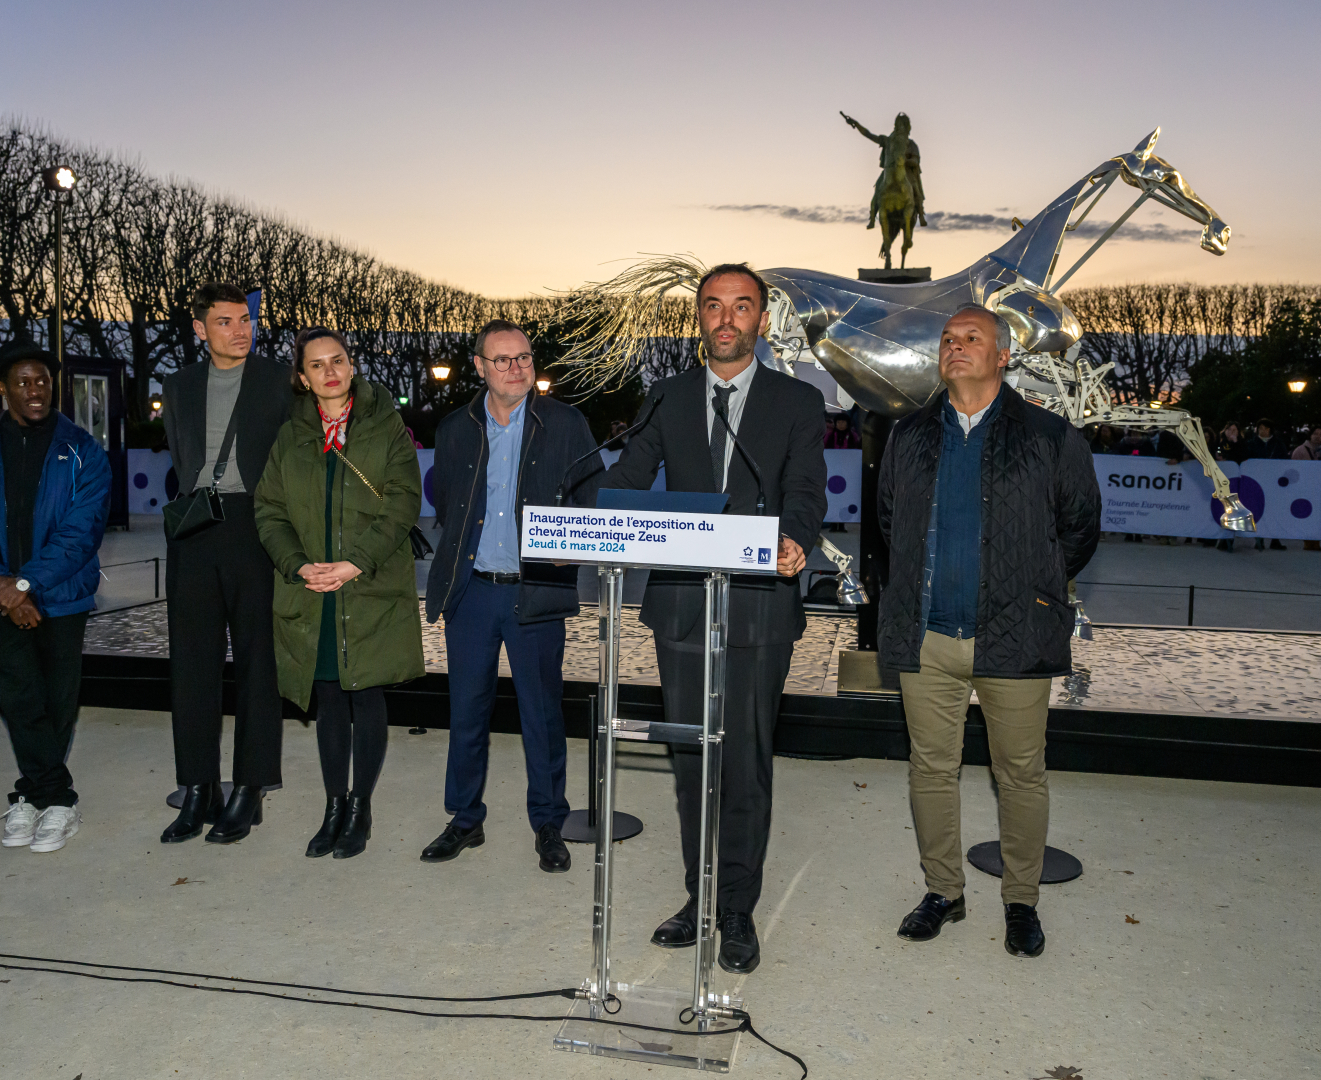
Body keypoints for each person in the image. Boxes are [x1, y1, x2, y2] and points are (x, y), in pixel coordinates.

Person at [601, 264, 827, 975]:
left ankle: (736, 911)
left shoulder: (797, 400)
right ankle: (699, 899)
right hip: (681, 606)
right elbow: (628, 482)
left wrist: (793, 537)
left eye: (741, 306)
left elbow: (805, 489)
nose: (726, 318)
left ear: (761, 318)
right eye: (712, 306)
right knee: (692, 760)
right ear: (698, 317)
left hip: (758, 608)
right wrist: (577, 507)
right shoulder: (665, 397)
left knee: (745, 763)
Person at [877, 304, 1099, 959]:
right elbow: (892, 525)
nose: (957, 346)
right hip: (928, 638)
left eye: (972, 338)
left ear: (1003, 356)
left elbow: (1079, 530)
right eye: (949, 339)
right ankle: (944, 892)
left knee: (1022, 774)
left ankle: (1021, 901)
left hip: (1015, 638)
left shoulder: (1050, 437)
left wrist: (1033, 588)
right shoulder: (909, 435)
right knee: (930, 770)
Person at [422, 318, 603, 873]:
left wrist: (574, 541)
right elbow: (449, 501)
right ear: (479, 367)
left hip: (536, 591)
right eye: (501, 360)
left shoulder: (566, 424)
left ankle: (549, 822)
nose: (516, 368)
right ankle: (464, 818)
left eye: (523, 358)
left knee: (542, 714)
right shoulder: (456, 428)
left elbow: (592, 499)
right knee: (467, 711)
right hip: (473, 594)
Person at [255, 328, 424, 860]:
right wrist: (299, 565)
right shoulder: (290, 437)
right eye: (317, 365)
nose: (330, 371)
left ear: (351, 366)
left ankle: (361, 806)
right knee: (329, 698)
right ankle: (333, 805)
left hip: (368, 585)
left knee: (366, 694)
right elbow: (270, 510)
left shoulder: (385, 425)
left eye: (339, 360)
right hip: (314, 589)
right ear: (302, 378)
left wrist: (354, 563)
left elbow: (403, 501)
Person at [0, 348, 110, 853]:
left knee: (57, 702)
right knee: (18, 699)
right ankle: (55, 797)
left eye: (43, 381)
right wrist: (1, 586)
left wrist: (25, 585)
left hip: (58, 598)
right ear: (2, 388)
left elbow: (82, 531)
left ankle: (35, 797)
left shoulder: (83, 450)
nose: (35, 390)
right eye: (23, 382)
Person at [159, 283, 294, 845]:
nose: (240, 330)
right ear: (199, 329)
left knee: (259, 664)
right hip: (195, 530)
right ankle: (197, 788)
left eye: (245, 319)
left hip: (256, 525)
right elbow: (181, 455)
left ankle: (250, 788)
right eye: (224, 322)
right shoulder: (179, 385)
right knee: (191, 666)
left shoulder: (277, 379)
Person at [1239, 419, 1287, 550]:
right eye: (1260, 428)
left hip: (1273, 482)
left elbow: (1284, 461)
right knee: (1257, 509)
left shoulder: (1278, 444)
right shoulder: (1252, 443)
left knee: (1274, 509)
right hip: (1257, 481)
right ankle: (1259, 538)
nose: (1262, 430)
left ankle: (1274, 538)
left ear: (1270, 429)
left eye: (1265, 428)